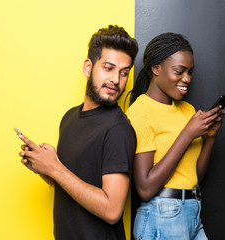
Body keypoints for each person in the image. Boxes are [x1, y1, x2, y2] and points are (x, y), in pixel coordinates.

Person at [17, 25, 138, 240]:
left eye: (124, 73)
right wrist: (44, 167)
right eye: (108, 68)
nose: (116, 80)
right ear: (88, 67)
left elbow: (112, 210)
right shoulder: (69, 118)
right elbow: (73, 182)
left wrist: (54, 168)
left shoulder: (118, 129)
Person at [126, 33, 225, 239]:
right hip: (162, 216)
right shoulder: (140, 112)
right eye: (179, 71)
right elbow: (144, 188)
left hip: (193, 211)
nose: (187, 79)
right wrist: (187, 134)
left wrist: (210, 137)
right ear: (156, 68)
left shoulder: (188, 110)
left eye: (190, 72)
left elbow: (194, 176)